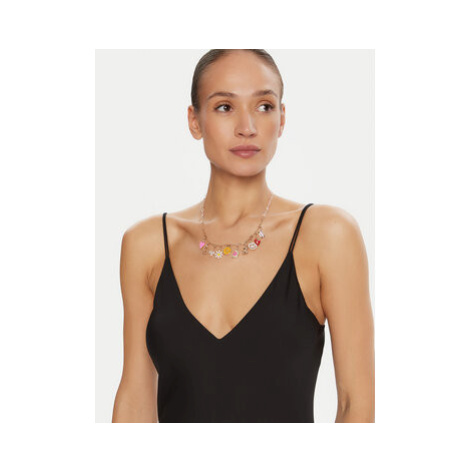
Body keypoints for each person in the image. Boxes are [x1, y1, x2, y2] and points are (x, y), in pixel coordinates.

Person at [112, 49, 375, 423]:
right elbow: (135, 401)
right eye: (224, 107)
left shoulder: (327, 236)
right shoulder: (147, 244)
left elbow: (356, 405)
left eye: (264, 106)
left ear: (282, 119)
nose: (247, 127)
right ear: (194, 121)